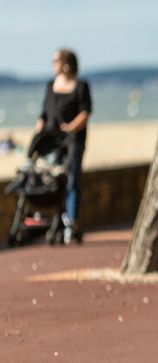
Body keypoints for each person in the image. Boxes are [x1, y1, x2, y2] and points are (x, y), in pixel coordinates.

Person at [36, 48, 91, 243]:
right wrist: (39, 129)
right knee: (51, 179)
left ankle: (71, 221)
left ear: (66, 63)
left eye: (56, 60)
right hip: (51, 142)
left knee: (72, 179)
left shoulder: (81, 86)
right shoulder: (50, 85)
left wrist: (71, 127)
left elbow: (85, 112)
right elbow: (44, 113)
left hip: (73, 141)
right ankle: (55, 219)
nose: (53, 64)